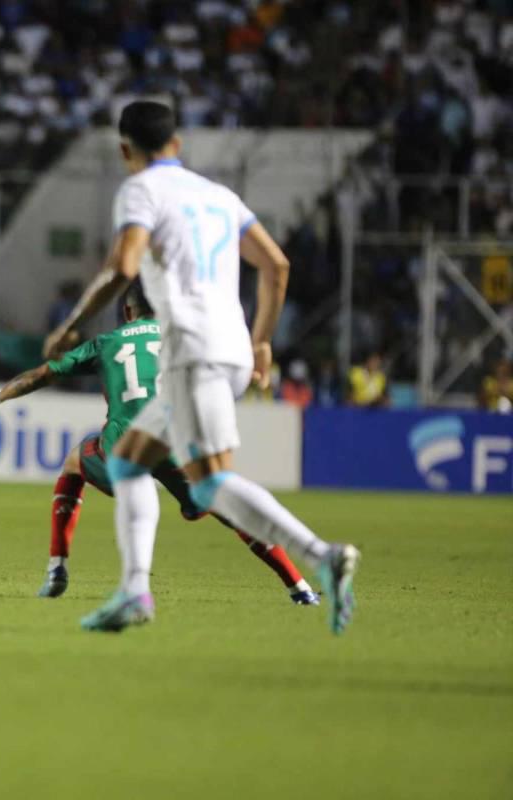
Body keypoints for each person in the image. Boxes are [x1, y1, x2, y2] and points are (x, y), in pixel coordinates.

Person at [43, 100, 359, 635]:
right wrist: (262, 341)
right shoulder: (220, 196)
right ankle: (134, 591)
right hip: (232, 346)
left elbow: (123, 266)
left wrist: (71, 325)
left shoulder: (141, 190)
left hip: (192, 348)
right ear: (177, 144)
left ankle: (322, 555)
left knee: (212, 484)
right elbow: (276, 266)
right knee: (130, 462)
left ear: (125, 150)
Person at [0, 285, 317, 604]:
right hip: (178, 443)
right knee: (228, 507)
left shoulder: (106, 342)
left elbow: (43, 374)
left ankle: (56, 569)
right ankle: (299, 587)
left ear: (127, 311)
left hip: (125, 448)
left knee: (74, 462)